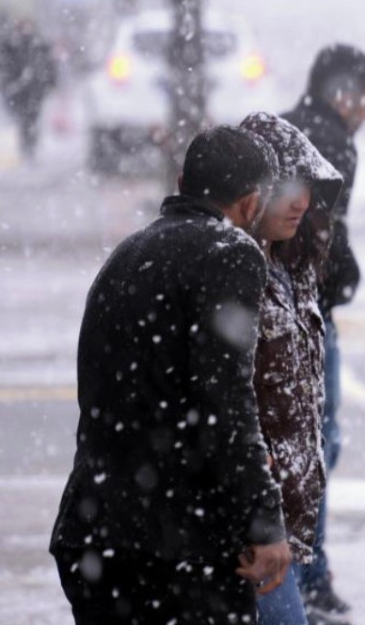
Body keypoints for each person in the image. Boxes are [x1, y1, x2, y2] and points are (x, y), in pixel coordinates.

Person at [49, 125, 290, 624]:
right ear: (250, 204)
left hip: (95, 529)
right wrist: (264, 523)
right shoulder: (230, 253)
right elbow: (225, 402)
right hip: (177, 545)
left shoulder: (128, 253)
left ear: (182, 180)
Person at [281, 43, 365, 624]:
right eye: (364, 99)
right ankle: (306, 575)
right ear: (341, 92)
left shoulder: (286, 128)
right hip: (310, 311)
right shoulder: (331, 140)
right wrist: (345, 279)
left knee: (296, 441)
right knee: (318, 443)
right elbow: (327, 234)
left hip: (284, 305)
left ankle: (301, 572)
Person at [240, 112, 345, 625]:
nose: (300, 201)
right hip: (252, 527)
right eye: (286, 186)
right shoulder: (232, 274)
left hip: (285, 526)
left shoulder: (293, 270)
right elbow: (225, 405)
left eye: (306, 186)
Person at [0, 16, 58, 160]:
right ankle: (27, 145)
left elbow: (49, 66)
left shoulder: (37, 46)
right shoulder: (13, 46)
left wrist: (49, 82)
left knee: (31, 118)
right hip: (21, 91)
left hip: (34, 90)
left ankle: (30, 145)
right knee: (25, 119)